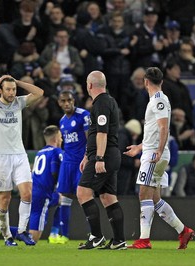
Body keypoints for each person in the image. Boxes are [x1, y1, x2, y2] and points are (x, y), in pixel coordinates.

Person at [124, 67, 195, 250]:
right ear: (161, 81)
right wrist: (139, 147)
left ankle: (144, 240)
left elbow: (164, 128)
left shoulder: (158, 101)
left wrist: (158, 150)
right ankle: (183, 230)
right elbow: (154, 131)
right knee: (154, 198)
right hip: (152, 150)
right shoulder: (157, 101)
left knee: (143, 194)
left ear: (146, 82)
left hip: (155, 153)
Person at [0, 74, 43, 246]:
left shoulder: (19, 102)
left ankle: (22, 231)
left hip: (19, 155)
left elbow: (39, 93)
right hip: (1, 156)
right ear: (0, 90)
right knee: (4, 198)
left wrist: (18, 82)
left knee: (28, 193)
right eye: (8, 89)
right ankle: (7, 235)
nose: (11, 92)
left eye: (13, 89)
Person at [0, 125, 63, 244]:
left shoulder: (40, 152)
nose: (61, 140)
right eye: (60, 137)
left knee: (60, 202)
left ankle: (54, 233)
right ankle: (54, 234)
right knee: (34, 236)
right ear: (56, 138)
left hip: (34, 189)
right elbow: (55, 171)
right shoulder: (57, 152)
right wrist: (59, 187)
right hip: (44, 192)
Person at [77, 71, 126, 250]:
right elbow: (95, 133)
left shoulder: (102, 103)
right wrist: (86, 156)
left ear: (90, 85)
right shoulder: (108, 101)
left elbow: (102, 133)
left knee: (83, 192)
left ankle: (96, 237)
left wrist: (98, 158)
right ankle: (119, 240)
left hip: (104, 156)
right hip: (108, 155)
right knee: (108, 197)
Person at [56, 90, 90, 243]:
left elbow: (91, 138)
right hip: (67, 162)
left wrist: (88, 157)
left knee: (84, 196)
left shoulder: (84, 115)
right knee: (64, 196)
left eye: (69, 100)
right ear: (59, 103)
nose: (66, 103)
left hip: (81, 162)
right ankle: (64, 235)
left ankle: (93, 233)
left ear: (74, 100)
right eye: (63, 101)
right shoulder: (62, 121)